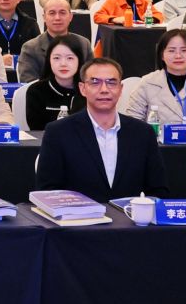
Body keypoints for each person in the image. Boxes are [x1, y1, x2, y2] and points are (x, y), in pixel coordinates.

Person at [33, 56, 172, 201]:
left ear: (120, 89)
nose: (104, 89)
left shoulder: (142, 133)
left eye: (111, 83)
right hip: (77, 215)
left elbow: (158, 191)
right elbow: (47, 193)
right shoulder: (58, 132)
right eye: (95, 82)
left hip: (129, 215)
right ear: (82, 88)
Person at [121, 28, 186, 128]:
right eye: (171, 51)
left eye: (184, 50)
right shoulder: (147, 83)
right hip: (155, 139)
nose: (178, 56)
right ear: (162, 55)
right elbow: (133, 123)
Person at [15, 0, 91, 83]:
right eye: (52, 13)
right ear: (44, 17)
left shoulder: (83, 44)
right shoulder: (30, 48)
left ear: (70, 17)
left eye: (62, 13)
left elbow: (92, 78)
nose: (57, 18)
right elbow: (28, 83)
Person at [23, 37, 87, 132]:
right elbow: (37, 129)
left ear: (79, 60)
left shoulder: (89, 90)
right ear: (49, 60)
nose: (63, 64)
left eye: (70, 58)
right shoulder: (36, 91)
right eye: (56, 58)